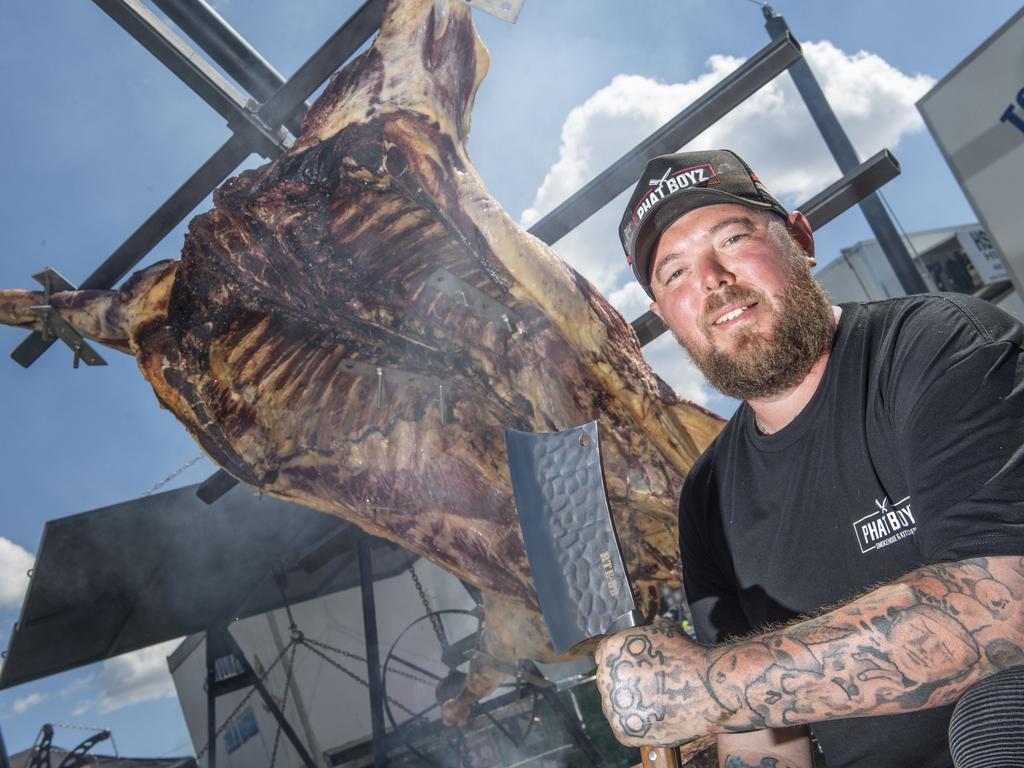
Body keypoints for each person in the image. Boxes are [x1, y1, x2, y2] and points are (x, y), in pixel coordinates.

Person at [595, 149, 1024, 768]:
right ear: (666, 317)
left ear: (800, 238)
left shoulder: (936, 347)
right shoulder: (708, 497)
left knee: (1000, 717)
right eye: (676, 273)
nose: (712, 278)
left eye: (733, 238)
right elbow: (763, 732)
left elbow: (1005, 611)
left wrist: (708, 687)